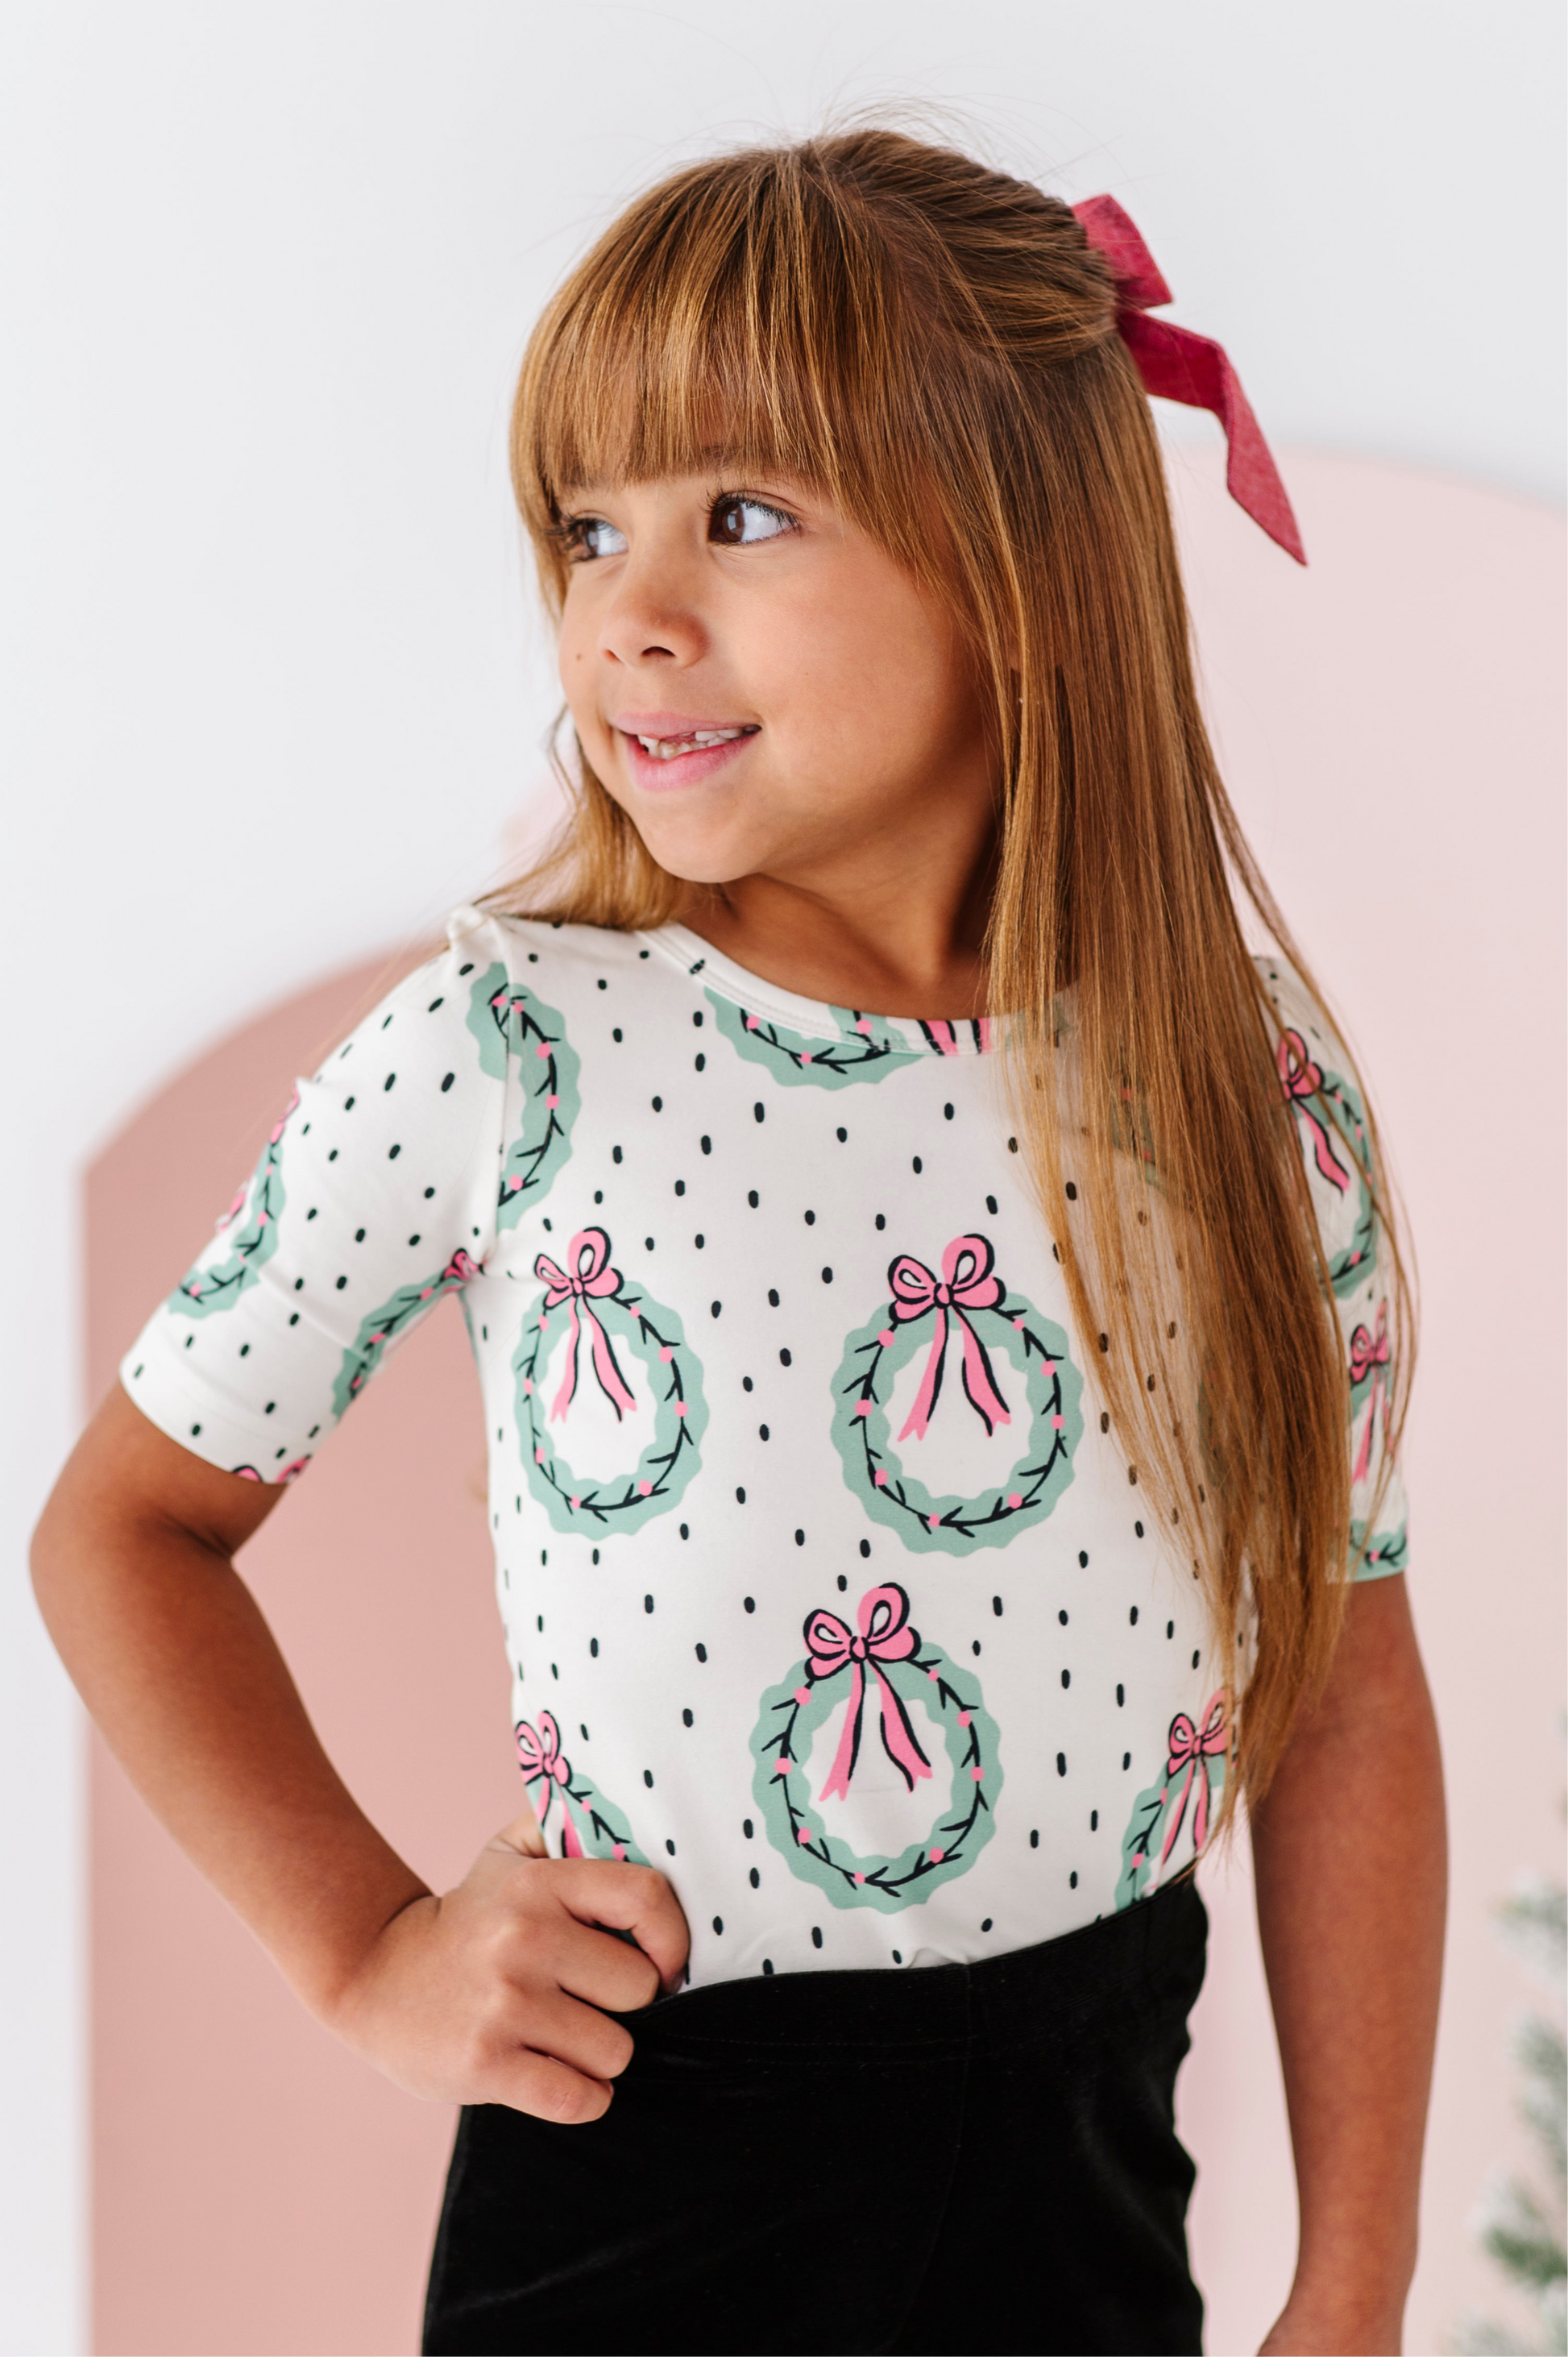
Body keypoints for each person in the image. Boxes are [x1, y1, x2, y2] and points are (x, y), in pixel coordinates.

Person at [31, 129, 1445, 2355]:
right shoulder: (508, 1045)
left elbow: (1346, 1680)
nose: (630, 611)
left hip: (1087, 2185)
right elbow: (123, 1528)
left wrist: (1351, 2280)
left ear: (1017, 555)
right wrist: (366, 1948)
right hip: (648, 2197)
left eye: (745, 514)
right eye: (589, 527)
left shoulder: (1236, 1085)